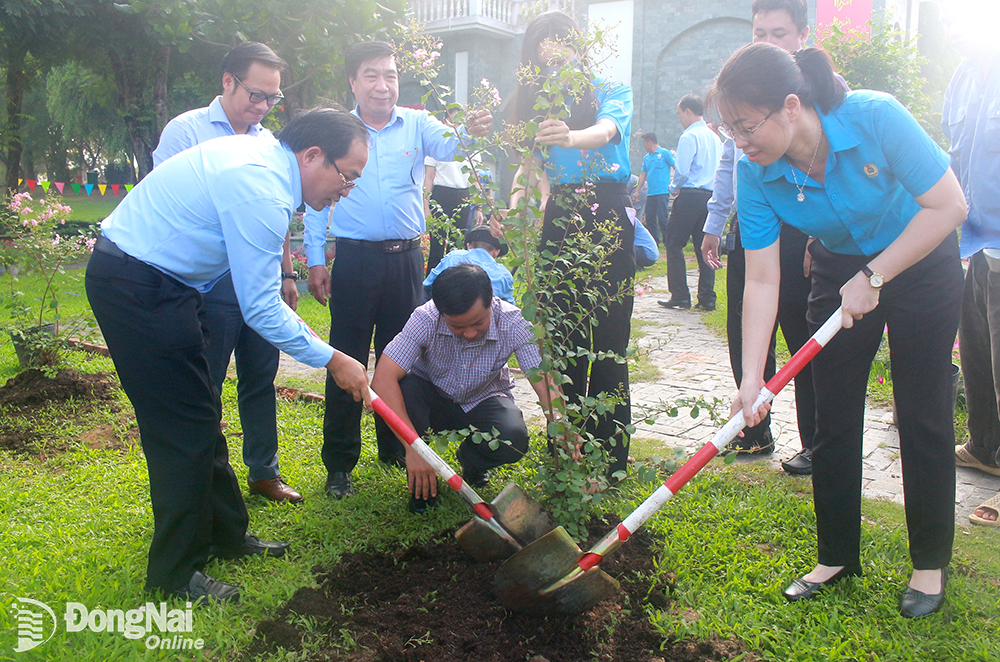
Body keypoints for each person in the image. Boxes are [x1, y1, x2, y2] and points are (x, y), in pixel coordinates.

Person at [714, 43, 967, 617]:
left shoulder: (874, 116)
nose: (741, 142)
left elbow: (949, 206)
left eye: (748, 126)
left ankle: (929, 563)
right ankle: (836, 556)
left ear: (792, 107)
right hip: (838, 267)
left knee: (922, 409)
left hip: (920, 259)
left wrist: (876, 275)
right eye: (730, 130)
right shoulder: (757, 173)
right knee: (831, 412)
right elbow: (760, 278)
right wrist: (752, 377)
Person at [86, 108, 373, 602]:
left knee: (199, 416)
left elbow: (254, 293)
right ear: (312, 156)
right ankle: (175, 576)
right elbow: (260, 307)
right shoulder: (261, 186)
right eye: (347, 176)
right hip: (138, 286)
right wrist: (334, 359)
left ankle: (226, 535)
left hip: (167, 286)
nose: (346, 190)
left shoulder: (266, 162)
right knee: (181, 433)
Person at [304, 41, 493, 501]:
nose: (382, 85)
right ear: (353, 81)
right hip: (354, 259)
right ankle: (340, 464)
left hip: (407, 259)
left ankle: (395, 446)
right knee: (345, 357)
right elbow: (313, 202)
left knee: (401, 360)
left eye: (389, 75)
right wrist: (313, 258)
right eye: (371, 75)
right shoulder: (338, 131)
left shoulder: (417, 125)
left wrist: (470, 129)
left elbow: (452, 145)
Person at [152, 42, 304, 503]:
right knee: (208, 383)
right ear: (227, 81)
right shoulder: (186, 131)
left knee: (261, 376)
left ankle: (264, 472)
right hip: (209, 283)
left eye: (272, 100)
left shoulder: (267, 142)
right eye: (255, 95)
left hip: (259, 280)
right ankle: (204, 482)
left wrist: (286, 272)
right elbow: (168, 205)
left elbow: (273, 213)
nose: (261, 108)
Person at [508, 10, 634, 480]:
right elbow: (529, 168)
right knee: (563, 341)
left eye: (562, 52)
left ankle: (610, 461)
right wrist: (516, 211)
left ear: (579, 49)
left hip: (605, 214)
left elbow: (606, 131)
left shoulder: (610, 90)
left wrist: (571, 136)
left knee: (609, 339)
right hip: (559, 218)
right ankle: (569, 451)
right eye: (543, 59)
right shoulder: (537, 106)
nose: (554, 65)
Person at [701, 0, 818, 466]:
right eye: (759, 33)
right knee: (748, 327)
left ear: (802, 36)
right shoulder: (740, 100)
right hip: (754, 224)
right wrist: (714, 223)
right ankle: (754, 426)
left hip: (806, 228)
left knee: (803, 333)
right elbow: (732, 165)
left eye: (780, 33)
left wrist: (822, 235)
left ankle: (816, 440)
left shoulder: (818, 95)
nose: (768, 43)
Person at [372, 264, 567, 513]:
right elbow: (382, 380)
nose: (471, 333)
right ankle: (423, 483)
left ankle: (472, 461)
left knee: (513, 438)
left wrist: (562, 427)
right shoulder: (426, 318)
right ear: (441, 313)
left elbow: (544, 381)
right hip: (432, 396)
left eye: (478, 323)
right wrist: (414, 446)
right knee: (404, 392)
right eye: (458, 327)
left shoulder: (513, 322)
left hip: (484, 398)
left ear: (491, 302)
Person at [941, 1, 1000, 527]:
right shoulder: (963, 78)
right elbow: (953, 158)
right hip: (973, 239)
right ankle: (986, 447)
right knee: (980, 353)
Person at [658, 94, 722, 311]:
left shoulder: (689, 136)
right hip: (711, 196)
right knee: (704, 246)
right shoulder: (715, 137)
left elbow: (682, 170)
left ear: (687, 111)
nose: (680, 119)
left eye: (679, 114)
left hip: (691, 194)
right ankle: (707, 298)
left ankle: (680, 295)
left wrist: (674, 188)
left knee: (673, 243)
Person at [424, 224, 514, 303]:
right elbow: (510, 309)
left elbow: (428, 285)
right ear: (497, 252)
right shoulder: (504, 275)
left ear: (469, 245)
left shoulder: (453, 257)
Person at [633, 133, 675, 249]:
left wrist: (677, 184)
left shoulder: (664, 153)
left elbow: (675, 167)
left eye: (644, 143)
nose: (644, 146)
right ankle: (654, 243)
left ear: (649, 142)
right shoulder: (647, 158)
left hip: (662, 192)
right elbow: (642, 175)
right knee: (650, 218)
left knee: (662, 218)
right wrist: (637, 191)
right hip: (651, 193)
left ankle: (668, 242)